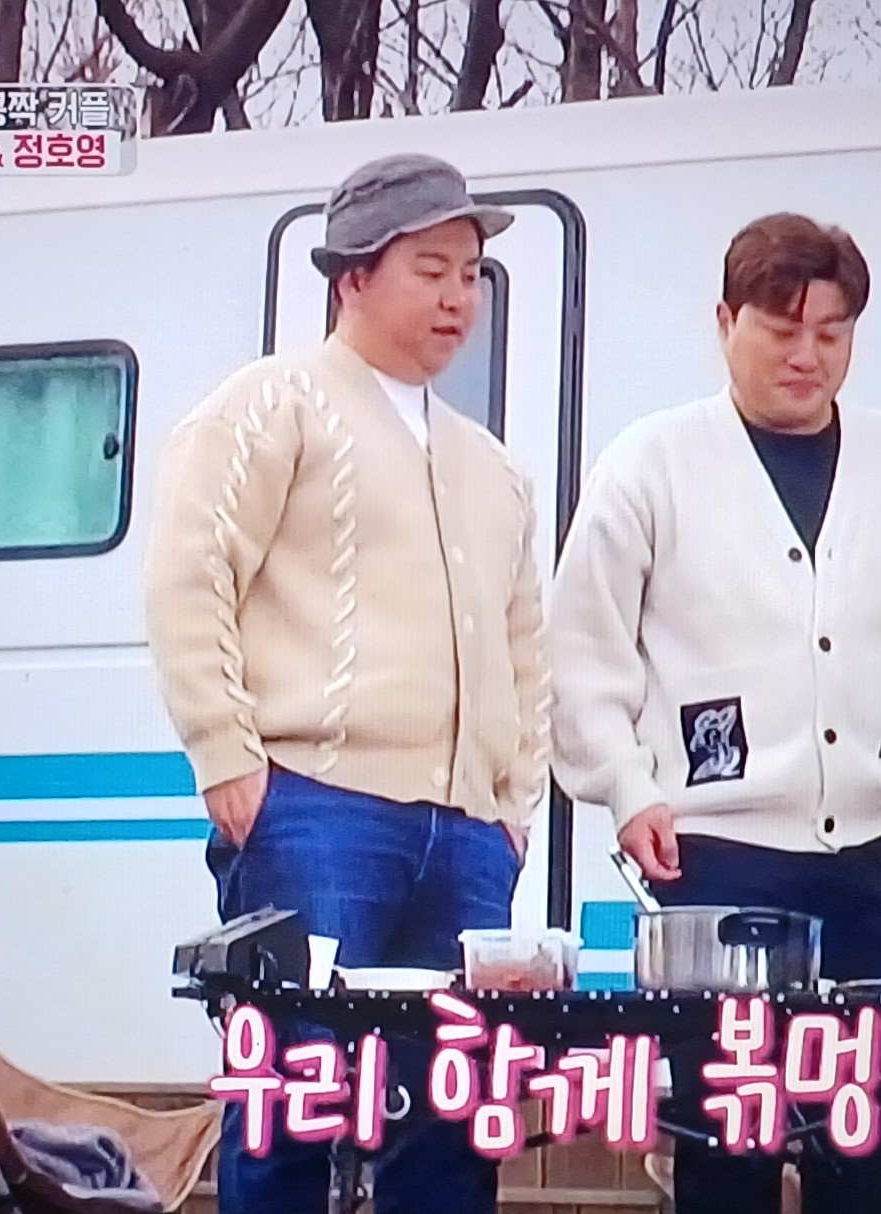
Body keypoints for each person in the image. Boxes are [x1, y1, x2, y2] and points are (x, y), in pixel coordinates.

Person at [548, 213, 881, 1214]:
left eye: (830, 331)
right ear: (725, 322)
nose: (807, 355)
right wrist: (628, 790)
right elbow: (579, 656)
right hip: (717, 864)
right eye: (780, 329)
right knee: (727, 1156)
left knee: (864, 1159)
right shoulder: (650, 464)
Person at [142, 152, 550, 1214]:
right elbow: (188, 577)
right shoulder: (270, 404)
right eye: (431, 269)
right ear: (353, 276)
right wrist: (229, 760)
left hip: (467, 835)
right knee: (294, 1099)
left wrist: (511, 808)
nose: (458, 296)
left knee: (452, 1121)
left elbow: (526, 651)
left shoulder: (495, 468)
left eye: (470, 273)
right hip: (314, 807)